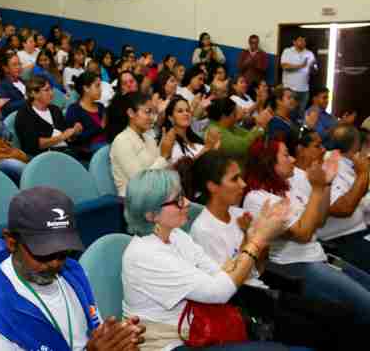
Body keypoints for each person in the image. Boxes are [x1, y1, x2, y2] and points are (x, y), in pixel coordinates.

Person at [189, 149, 358, 350]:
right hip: (245, 303)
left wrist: (265, 233)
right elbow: (227, 287)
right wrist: (252, 238)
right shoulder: (204, 229)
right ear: (212, 186)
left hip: (262, 288)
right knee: (329, 329)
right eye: (235, 179)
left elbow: (259, 269)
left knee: (343, 315)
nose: (243, 185)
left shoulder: (238, 213)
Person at [0, 186, 145, 350]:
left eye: (63, 252)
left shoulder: (72, 272)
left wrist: (118, 342)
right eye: (44, 253)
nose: (55, 263)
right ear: (11, 242)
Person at [122, 168, 293, 351]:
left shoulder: (176, 235)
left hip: (194, 328)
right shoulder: (145, 255)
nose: (187, 203)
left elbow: (219, 274)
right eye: (178, 200)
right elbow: (219, 291)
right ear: (152, 215)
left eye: (184, 195)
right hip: (169, 345)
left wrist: (252, 236)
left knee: (294, 323)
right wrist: (257, 240)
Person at [243, 134, 370, 324]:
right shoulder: (257, 198)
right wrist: (318, 188)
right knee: (366, 304)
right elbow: (303, 233)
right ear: (269, 164)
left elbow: (318, 221)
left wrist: (326, 183)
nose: (293, 159)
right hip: (294, 266)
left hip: (317, 256)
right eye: (286, 156)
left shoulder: (288, 186)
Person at [318, 124, 370, 273]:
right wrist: (363, 175)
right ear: (356, 145)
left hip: (360, 229)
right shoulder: (331, 164)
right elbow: (342, 209)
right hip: (341, 239)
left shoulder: (350, 163)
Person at [110, 92, 168, 197]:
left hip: (155, 194)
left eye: (153, 113)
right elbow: (140, 182)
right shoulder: (121, 141)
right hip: (134, 201)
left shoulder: (148, 138)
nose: (151, 117)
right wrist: (164, 156)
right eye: (147, 112)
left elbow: (160, 171)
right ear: (131, 113)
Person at [15, 76, 82, 157]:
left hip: (66, 152)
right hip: (44, 158)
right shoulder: (25, 114)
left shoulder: (55, 110)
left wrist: (74, 132)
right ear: (34, 93)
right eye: (46, 90)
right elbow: (35, 145)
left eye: (51, 89)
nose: (51, 93)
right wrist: (62, 137)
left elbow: (66, 135)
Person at [206, 98, 272, 167]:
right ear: (224, 117)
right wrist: (259, 126)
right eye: (234, 114)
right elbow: (242, 147)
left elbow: (248, 135)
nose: (236, 116)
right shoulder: (215, 131)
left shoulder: (228, 125)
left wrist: (259, 127)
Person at [159, 96, 220, 164]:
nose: (186, 113)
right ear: (171, 118)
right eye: (180, 111)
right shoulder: (169, 141)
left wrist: (214, 149)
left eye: (188, 110)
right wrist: (206, 149)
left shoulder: (195, 137)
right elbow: (179, 170)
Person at [65, 72, 107, 157]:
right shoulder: (74, 109)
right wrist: (100, 127)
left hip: (105, 145)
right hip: (88, 151)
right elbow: (76, 140)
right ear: (86, 88)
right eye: (97, 86)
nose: (100, 90)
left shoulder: (100, 106)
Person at [280, 35, 315, 118]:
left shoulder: (309, 53)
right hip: (290, 89)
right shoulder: (287, 51)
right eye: (300, 40)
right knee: (289, 113)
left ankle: (298, 130)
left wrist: (313, 68)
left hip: (304, 90)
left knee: (300, 115)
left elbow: (314, 69)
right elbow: (285, 66)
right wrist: (301, 66)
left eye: (304, 40)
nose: (303, 42)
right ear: (294, 42)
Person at [0, 49, 27, 118]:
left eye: (19, 64)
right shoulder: (1, 87)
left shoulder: (21, 80)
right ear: (6, 68)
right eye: (14, 65)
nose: (19, 67)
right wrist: (27, 99)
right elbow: (6, 108)